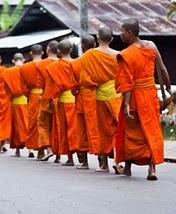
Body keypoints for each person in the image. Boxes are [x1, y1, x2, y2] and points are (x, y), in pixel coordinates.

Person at [115, 18, 171, 180]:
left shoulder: (126, 54)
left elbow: (127, 83)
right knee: (150, 129)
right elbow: (162, 68)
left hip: (134, 96)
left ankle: (127, 167)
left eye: (122, 31)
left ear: (130, 33)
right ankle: (152, 169)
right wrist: (167, 87)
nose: (120, 35)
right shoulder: (151, 46)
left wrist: (125, 104)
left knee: (131, 132)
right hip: (150, 95)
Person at [78, 26, 123, 172]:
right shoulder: (119, 55)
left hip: (100, 97)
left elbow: (84, 80)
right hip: (117, 96)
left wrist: (95, 83)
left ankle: (104, 165)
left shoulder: (89, 55)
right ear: (111, 39)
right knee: (118, 129)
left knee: (103, 131)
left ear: (97, 38)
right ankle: (118, 159)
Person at [44, 39, 78, 165]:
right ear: (71, 50)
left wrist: (50, 101)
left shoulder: (53, 67)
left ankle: (70, 158)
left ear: (58, 51)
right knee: (76, 129)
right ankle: (81, 153)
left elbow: (52, 87)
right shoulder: (77, 63)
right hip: (77, 99)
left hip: (63, 101)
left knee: (64, 129)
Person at [70, 35, 96, 169]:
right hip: (99, 98)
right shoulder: (102, 58)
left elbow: (73, 87)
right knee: (100, 130)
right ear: (95, 44)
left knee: (82, 131)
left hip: (82, 100)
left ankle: (85, 163)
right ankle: (104, 163)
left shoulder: (76, 63)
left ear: (82, 46)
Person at [35, 40, 59, 162]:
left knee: (43, 125)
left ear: (48, 50)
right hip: (60, 98)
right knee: (57, 125)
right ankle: (59, 154)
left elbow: (40, 84)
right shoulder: (62, 63)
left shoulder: (40, 65)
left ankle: (49, 149)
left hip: (46, 97)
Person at [20, 45, 44, 158]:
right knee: (45, 122)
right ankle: (46, 147)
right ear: (43, 52)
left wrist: (28, 95)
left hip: (33, 96)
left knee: (34, 122)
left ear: (30, 53)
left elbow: (24, 88)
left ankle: (39, 150)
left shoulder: (25, 67)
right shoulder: (47, 64)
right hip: (46, 95)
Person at [3, 53, 28, 157]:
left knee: (17, 127)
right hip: (29, 100)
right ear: (24, 60)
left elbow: (6, 90)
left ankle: (18, 151)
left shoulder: (8, 72)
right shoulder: (28, 69)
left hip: (16, 102)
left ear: (13, 61)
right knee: (29, 125)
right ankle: (31, 150)